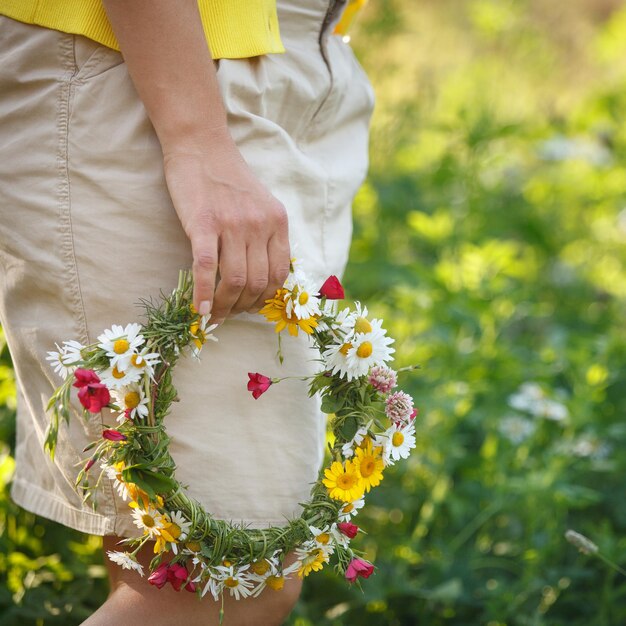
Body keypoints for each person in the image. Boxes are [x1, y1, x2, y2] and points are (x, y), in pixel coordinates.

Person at [0, 0, 374, 623]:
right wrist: (197, 138)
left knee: (168, 564)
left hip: (304, 58)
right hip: (160, 58)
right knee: (224, 585)